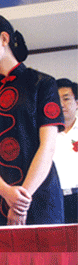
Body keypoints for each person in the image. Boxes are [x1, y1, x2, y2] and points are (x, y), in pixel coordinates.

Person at [0, 14, 65, 225]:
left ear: (4, 38)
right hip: (1, 195)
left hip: (40, 192)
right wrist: (6, 192)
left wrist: (21, 200)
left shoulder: (42, 83)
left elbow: (47, 146)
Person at [53, 78, 78, 223]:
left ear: (77, 103)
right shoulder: (45, 134)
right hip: (55, 199)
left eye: (66, 99)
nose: (61, 104)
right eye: (56, 99)